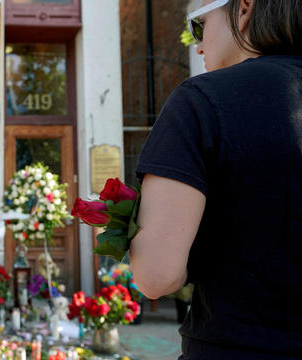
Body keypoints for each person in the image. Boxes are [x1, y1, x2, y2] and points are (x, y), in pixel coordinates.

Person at [128, 0, 302, 358]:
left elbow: (157, 276)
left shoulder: (202, 101)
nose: (198, 44)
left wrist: (122, 231)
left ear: (244, 9)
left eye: (199, 24)